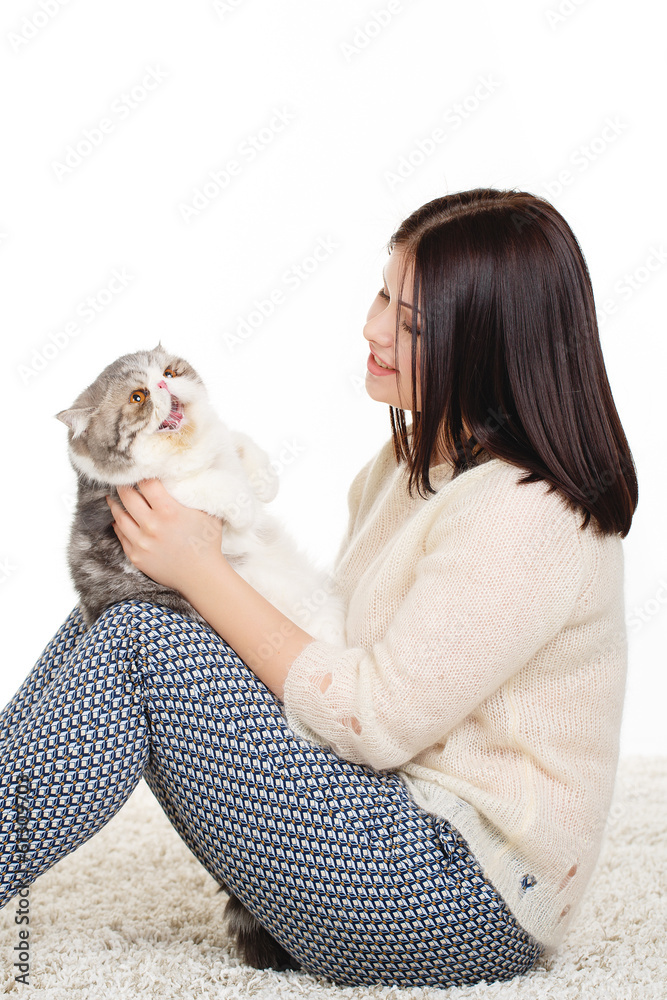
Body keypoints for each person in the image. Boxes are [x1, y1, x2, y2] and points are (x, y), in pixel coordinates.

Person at [0, 188, 637, 990]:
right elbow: (333, 652)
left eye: (409, 324)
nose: (372, 329)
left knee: (145, 631)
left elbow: (373, 720)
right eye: (381, 294)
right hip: (381, 824)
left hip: (464, 904)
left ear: (486, 347)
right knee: (128, 604)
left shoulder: (526, 512)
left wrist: (201, 568)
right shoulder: (406, 468)